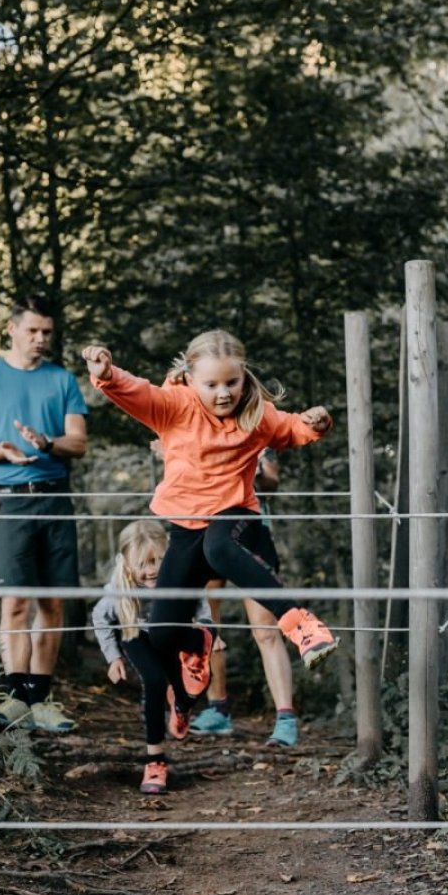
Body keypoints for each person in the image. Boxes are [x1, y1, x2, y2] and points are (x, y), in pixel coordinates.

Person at [80, 329, 339, 743]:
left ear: (244, 377)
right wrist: (107, 375)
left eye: (231, 382)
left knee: (220, 547)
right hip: (185, 525)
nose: (223, 393)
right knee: (162, 631)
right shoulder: (175, 406)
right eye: (212, 384)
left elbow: (291, 429)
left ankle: (300, 623)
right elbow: (138, 392)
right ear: (190, 378)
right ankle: (183, 695)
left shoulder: (255, 412)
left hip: (235, 514)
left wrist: (316, 424)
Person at [0, 294, 88, 730]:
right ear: (12, 329)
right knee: (15, 601)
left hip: (55, 496)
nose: (40, 339)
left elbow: (79, 441)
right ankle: (15, 700)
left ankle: (42, 701)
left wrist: (46, 443)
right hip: (9, 497)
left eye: (47, 333)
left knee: (53, 602)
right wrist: (2, 450)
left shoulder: (62, 380)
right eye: (32, 330)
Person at [91, 520, 219, 794]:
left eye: (159, 560)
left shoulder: (178, 574)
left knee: (191, 685)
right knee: (154, 682)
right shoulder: (120, 587)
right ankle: (155, 761)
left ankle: (182, 703)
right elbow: (100, 617)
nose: (152, 571)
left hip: (171, 633)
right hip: (134, 633)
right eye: (144, 564)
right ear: (127, 563)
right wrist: (113, 658)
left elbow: (199, 600)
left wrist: (208, 628)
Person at [193, 449, 302, 747]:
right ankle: (218, 709)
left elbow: (272, 482)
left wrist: (255, 476)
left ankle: (285, 719)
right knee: (207, 626)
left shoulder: (260, 430)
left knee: (265, 630)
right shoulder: (195, 424)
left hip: (253, 532)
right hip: (204, 528)